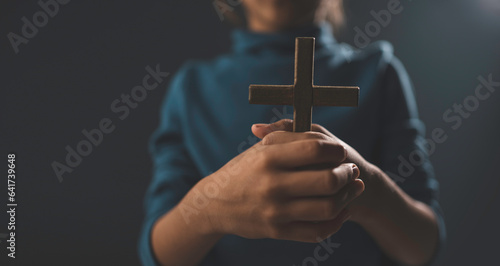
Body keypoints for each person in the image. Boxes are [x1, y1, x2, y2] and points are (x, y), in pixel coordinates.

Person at [138, 1, 446, 265]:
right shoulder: (192, 88)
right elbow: (158, 252)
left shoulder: (379, 73)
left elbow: (423, 243)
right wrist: (212, 207)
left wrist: (367, 186)